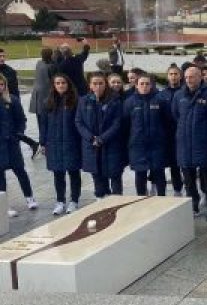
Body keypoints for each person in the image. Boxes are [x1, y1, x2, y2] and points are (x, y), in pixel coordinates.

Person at [172, 65, 207, 221]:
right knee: (188, 179)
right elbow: (176, 115)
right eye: (186, 77)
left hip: (203, 143)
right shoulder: (179, 95)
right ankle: (193, 205)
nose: (188, 80)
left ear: (200, 77)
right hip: (185, 143)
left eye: (192, 77)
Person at [75, 73, 125, 198]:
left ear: (105, 84)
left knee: (115, 175)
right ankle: (100, 199)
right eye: (95, 83)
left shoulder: (114, 101)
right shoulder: (83, 101)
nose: (98, 86)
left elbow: (117, 123)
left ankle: (117, 201)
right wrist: (91, 138)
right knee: (97, 176)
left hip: (110, 144)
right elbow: (79, 121)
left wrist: (102, 138)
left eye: (101, 83)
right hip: (91, 145)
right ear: (90, 85)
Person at [40, 74, 82, 215]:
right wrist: (43, 142)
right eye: (57, 83)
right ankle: (60, 201)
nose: (60, 85)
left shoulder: (76, 101)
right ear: (54, 85)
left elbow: (79, 123)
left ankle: (74, 201)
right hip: (54, 143)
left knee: (73, 172)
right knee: (58, 174)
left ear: (68, 84)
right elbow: (43, 124)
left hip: (72, 142)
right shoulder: (48, 102)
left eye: (63, 82)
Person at [122, 74, 169, 196]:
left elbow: (167, 121)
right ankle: (141, 199)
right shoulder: (129, 102)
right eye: (141, 84)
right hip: (138, 146)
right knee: (140, 175)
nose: (144, 86)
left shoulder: (160, 100)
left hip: (157, 145)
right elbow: (125, 125)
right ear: (136, 85)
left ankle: (162, 199)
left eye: (147, 84)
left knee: (159, 174)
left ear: (151, 85)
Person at [0, 74, 37, 216]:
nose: (0, 87)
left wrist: (18, 133)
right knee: (0, 176)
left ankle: (29, 197)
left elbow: (21, 119)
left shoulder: (12, 100)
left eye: (2, 84)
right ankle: (4, 206)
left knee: (20, 171)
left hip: (12, 143)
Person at [160, 64, 185, 196]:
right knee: (173, 164)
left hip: (182, 132)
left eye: (176, 74)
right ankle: (177, 190)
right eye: (171, 74)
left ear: (180, 76)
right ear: (167, 76)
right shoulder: (162, 94)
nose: (173, 76)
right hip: (167, 134)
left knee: (185, 164)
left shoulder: (185, 92)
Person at [28, 48, 55, 158]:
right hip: (46, 96)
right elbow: (54, 80)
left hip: (37, 95)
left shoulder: (39, 63)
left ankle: (43, 143)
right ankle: (46, 145)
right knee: (47, 122)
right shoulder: (51, 67)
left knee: (40, 121)